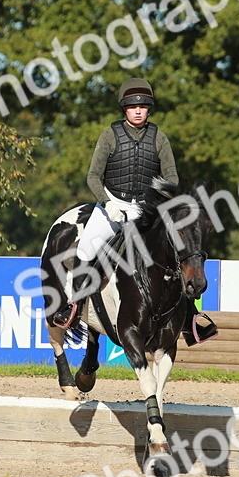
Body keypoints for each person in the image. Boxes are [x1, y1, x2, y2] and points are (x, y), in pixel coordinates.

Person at [51, 78, 217, 345]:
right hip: (112, 206)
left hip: (147, 210)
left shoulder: (159, 138)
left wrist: (164, 203)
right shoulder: (109, 136)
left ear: (149, 109)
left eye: (143, 106)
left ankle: (190, 319)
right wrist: (107, 202)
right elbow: (93, 176)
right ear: (124, 109)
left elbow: (171, 178)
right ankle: (72, 306)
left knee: (177, 251)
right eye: (132, 106)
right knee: (84, 251)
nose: (138, 110)